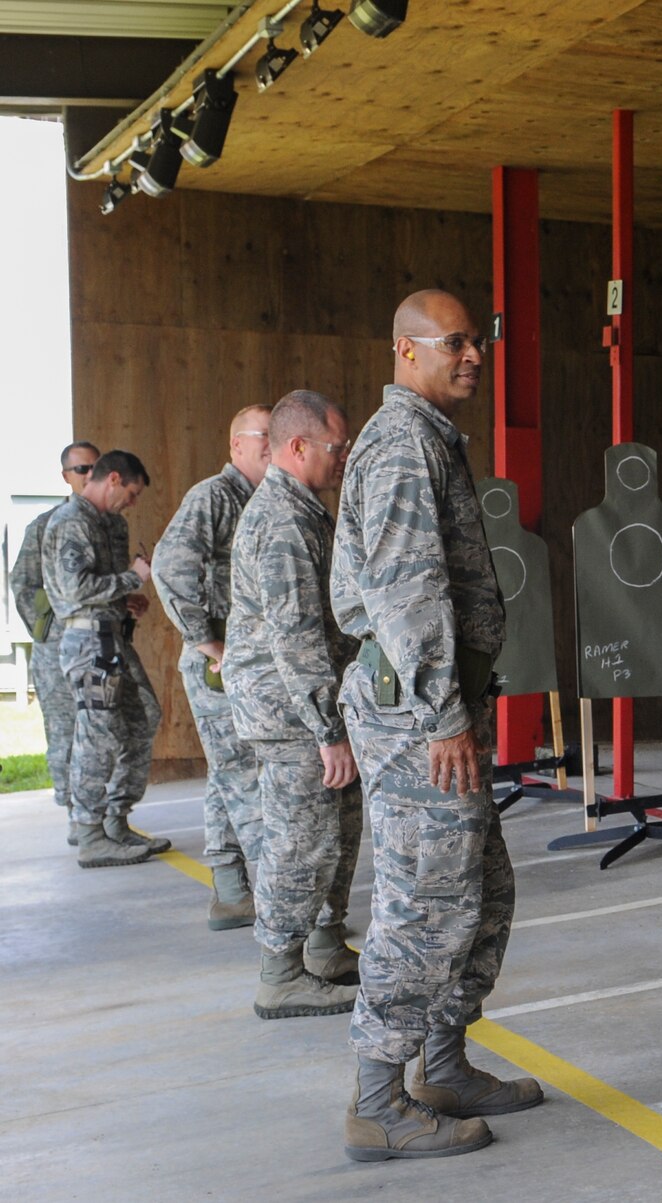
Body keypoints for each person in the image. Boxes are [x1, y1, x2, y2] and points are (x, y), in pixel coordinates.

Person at [331, 289, 534, 1162]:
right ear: (406, 351)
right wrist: (446, 712)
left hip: (437, 711)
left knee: (478, 891)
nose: (475, 356)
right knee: (424, 905)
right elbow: (407, 592)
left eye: (478, 341)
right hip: (422, 718)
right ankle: (377, 1102)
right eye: (457, 343)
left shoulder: (428, 438)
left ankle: (442, 1064)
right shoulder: (405, 444)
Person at [224, 391, 364, 1020]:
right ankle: (279, 971)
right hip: (290, 714)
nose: (344, 458)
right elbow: (296, 633)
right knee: (302, 839)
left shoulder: (303, 509)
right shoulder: (282, 520)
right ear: (298, 447)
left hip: (306, 707)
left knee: (336, 830)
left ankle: (324, 947)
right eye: (337, 448)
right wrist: (327, 728)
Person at [153, 405, 270, 929]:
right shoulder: (214, 496)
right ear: (236, 445)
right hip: (220, 666)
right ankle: (277, 901)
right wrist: (209, 644)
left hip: (245, 661)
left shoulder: (264, 499)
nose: (272, 444)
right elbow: (169, 566)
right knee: (247, 775)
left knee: (230, 772)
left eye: (278, 435)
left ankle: (228, 889)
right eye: (261, 436)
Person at [43, 449, 164, 869]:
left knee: (140, 719)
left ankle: (115, 821)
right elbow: (76, 591)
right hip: (90, 646)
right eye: (130, 494)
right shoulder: (73, 521)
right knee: (98, 737)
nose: (131, 503)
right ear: (112, 479)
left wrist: (125, 598)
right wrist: (134, 576)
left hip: (109, 640)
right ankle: (90, 832)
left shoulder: (105, 523)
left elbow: (97, 585)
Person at [10, 442, 101, 842]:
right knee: (65, 731)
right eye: (81, 469)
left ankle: (100, 814)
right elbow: (23, 582)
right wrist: (46, 627)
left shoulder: (109, 523)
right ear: (65, 476)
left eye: (95, 468)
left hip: (100, 645)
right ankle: (73, 813)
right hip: (57, 648)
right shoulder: (45, 525)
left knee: (101, 731)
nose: (88, 475)